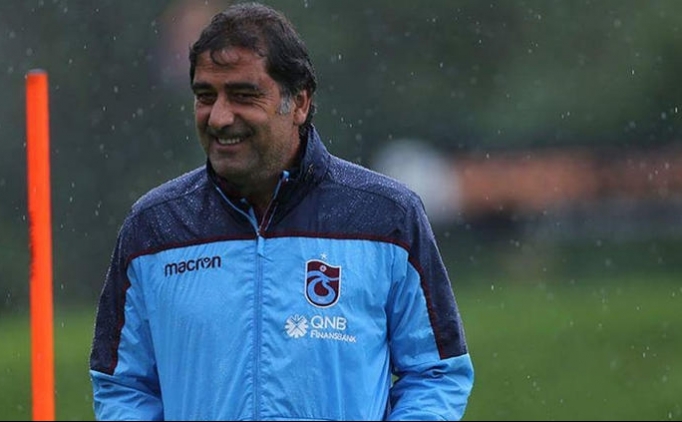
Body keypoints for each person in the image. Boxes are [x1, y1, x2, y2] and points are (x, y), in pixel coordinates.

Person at [88, 2, 474, 420]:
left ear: (300, 102)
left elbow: (436, 373)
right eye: (205, 96)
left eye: (243, 95)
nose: (219, 117)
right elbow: (123, 387)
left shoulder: (388, 217)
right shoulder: (153, 227)